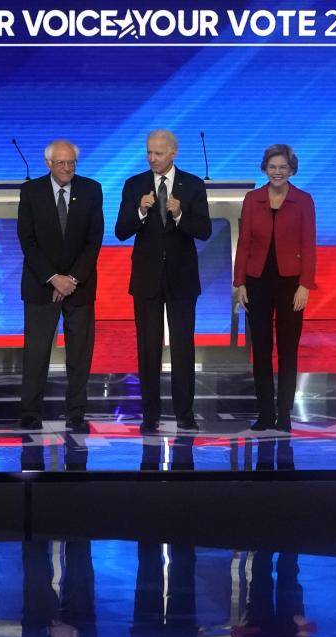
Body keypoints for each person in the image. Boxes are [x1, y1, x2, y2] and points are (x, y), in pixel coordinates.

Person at [114, 130, 211, 432]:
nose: (152, 158)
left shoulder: (193, 185)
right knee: (148, 348)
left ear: (173, 153)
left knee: (183, 348)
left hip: (182, 279)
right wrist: (141, 211)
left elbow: (204, 230)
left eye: (158, 153)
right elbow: (121, 231)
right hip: (147, 279)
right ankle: (150, 415)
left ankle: (185, 414)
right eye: (149, 152)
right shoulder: (135, 185)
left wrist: (180, 214)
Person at [16, 140, 104, 432]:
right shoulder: (31, 191)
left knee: (79, 352)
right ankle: (30, 412)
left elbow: (94, 241)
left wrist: (72, 279)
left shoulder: (91, 189)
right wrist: (54, 278)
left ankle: (76, 411)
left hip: (80, 285)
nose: (67, 168)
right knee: (37, 352)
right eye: (61, 163)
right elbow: (27, 241)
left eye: (72, 163)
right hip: (42, 284)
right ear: (48, 164)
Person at [233, 144, 316, 431]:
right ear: (264, 169)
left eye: (283, 167)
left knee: (288, 348)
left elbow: (309, 245)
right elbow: (243, 243)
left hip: (291, 283)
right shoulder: (252, 198)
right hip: (256, 281)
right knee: (262, 348)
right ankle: (265, 412)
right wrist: (239, 282)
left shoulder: (303, 200)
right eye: (272, 166)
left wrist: (305, 284)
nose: (277, 172)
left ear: (291, 170)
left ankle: (284, 413)